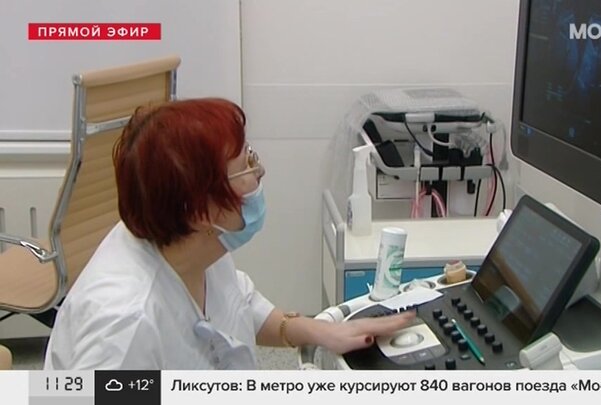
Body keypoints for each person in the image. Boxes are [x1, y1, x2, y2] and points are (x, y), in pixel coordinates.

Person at [44, 98, 414, 370]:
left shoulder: (190, 244)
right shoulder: (123, 329)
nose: (260, 172)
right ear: (199, 210)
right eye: (246, 165)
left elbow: (237, 306)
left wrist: (315, 330)